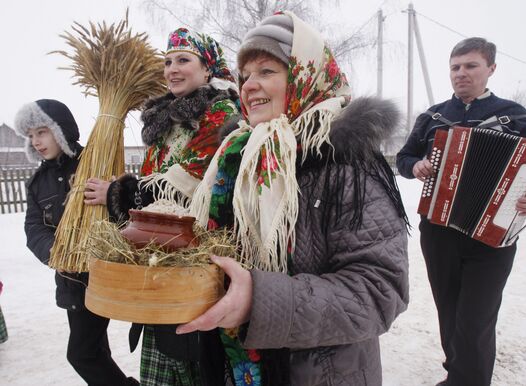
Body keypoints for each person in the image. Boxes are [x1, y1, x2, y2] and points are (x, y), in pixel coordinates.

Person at [173, 11, 409, 386]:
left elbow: (380, 291)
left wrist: (259, 301)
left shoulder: (345, 163)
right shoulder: (237, 158)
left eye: (266, 71)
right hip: (236, 365)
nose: (249, 85)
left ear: (305, 75)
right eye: (245, 75)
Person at [84, 28, 240, 386]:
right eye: (167, 62)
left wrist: (118, 194)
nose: (172, 69)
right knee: (164, 358)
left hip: (199, 262)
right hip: (162, 259)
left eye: (184, 60)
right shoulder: (165, 120)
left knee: (195, 359)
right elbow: (153, 179)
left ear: (208, 69)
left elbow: (191, 180)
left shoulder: (221, 112)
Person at [396, 37, 526, 386]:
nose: (461, 73)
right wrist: (416, 165)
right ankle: (459, 375)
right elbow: (405, 158)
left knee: (477, 317)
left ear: (490, 69)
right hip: (439, 229)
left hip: (492, 235)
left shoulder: (513, 116)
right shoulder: (433, 117)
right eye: (455, 67)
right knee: (448, 311)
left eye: (470, 66)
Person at [14, 99, 138, 385]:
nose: (36, 142)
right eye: (31, 136)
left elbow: (126, 202)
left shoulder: (94, 161)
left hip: (102, 273)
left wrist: (115, 196)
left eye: (42, 132)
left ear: (60, 130)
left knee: (81, 354)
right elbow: (34, 227)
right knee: (95, 349)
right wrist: (55, 252)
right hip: (71, 279)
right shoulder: (37, 183)